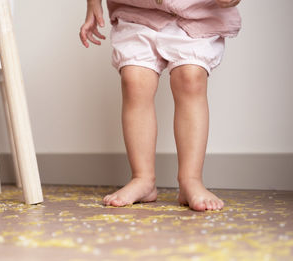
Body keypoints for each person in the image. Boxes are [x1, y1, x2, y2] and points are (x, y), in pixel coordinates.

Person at [79, 0, 241, 211]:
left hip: (194, 14)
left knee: (190, 78)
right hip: (137, 12)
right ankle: (142, 178)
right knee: (134, 81)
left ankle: (190, 179)